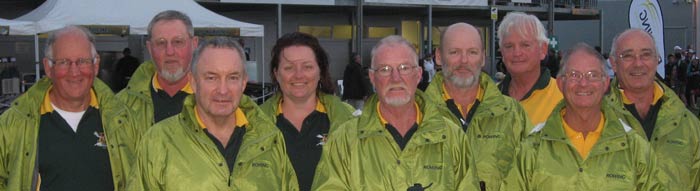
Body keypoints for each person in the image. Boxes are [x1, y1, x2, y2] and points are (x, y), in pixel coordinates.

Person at [127, 37, 298, 190]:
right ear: (193, 82)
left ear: (243, 82)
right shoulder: (159, 141)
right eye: (211, 77)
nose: (223, 90)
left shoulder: (270, 138)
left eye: (232, 77)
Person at [312, 35, 477, 190]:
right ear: (372, 77)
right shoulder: (343, 141)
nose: (395, 78)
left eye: (404, 68)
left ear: (418, 74)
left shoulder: (452, 138)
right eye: (385, 69)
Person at [501, 43, 665, 190]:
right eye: (574, 75)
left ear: (605, 83)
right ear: (560, 83)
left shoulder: (635, 148)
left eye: (592, 75)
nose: (583, 83)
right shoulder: (532, 150)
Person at [0, 26, 137, 190]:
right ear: (48, 67)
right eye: (64, 62)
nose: (74, 72)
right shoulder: (14, 124)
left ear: (95, 65)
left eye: (83, 61)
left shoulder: (124, 121)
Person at [424, 22, 531, 191]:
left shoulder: (513, 115)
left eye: (472, 52)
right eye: (454, 52)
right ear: (438, 56)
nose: (464, 60)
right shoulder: (416, 115)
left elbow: (533, 176)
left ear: (482, 58)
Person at [259, 32, 355, 191]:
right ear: (276, 73)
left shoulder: (351, 122)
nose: (298, 75)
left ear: (320, 71)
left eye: (307, 66)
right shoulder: (253, 125)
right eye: (289, 67)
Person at [607, 29, 700, 191]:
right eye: (628, 56)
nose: (638, 63)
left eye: (646, 55)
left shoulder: (688, 125)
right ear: (613, 63)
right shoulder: (593, 119)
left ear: (657, 60)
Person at [116, 10, 199, 132]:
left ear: (194, 44)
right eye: (161, 43)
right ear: (150, 48)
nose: (170, 51)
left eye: (178, 42)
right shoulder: (121, 105)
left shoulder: (218, 100)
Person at [496, 12, 563, 127]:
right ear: (502, 52)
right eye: (509, 46)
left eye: (525, 45)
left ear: (543, 50)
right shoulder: (489, 97)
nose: (517, 53)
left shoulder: (564, 97)